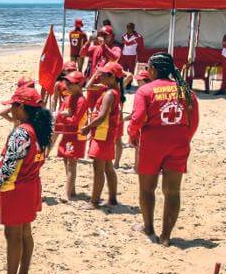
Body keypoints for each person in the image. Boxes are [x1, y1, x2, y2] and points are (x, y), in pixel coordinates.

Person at [0, 86, 51, 274]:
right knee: (25, 231)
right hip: (32, 185)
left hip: (16, 189)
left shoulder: (21, 133)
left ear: (21, 106)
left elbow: (9, 165)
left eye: (13, 105)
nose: (10, 109)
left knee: (13, 234)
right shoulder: (41, 128)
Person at [129, 53, 200, 246]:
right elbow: (193, 121)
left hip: (152, 143)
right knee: (173, 191)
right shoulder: (185, 90)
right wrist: (185, 139)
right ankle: (166, 237)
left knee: (147, 188)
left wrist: (132, 135)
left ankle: (149, 228)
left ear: (153, 69)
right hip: (178, 142)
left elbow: (138, 117)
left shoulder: (145, 90)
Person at [81, 62, 123, 207]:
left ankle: (94, 202)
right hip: (107, 133)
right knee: (108, 168)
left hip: (102, 134)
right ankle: (112, 199)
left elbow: (102, 116)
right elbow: (89, 86)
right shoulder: (111, 89)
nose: (100, 75)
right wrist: (96, 74)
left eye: (103, 74)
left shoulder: (110, 93)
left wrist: (87, 127)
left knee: (98, 169)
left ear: (111, 77)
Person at [53, 70, 86, 200]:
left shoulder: (81, 100)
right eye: (67, 82)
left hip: (76, 135)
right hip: (67, 133)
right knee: (66, 161)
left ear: (79, 85)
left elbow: (74, 120)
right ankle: (71, 190)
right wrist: (63, 115)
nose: (67, 85)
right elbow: (63, 113)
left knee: (72, 163)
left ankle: (68, 194)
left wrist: (63, 116)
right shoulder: (68, 97)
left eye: (71, 83)